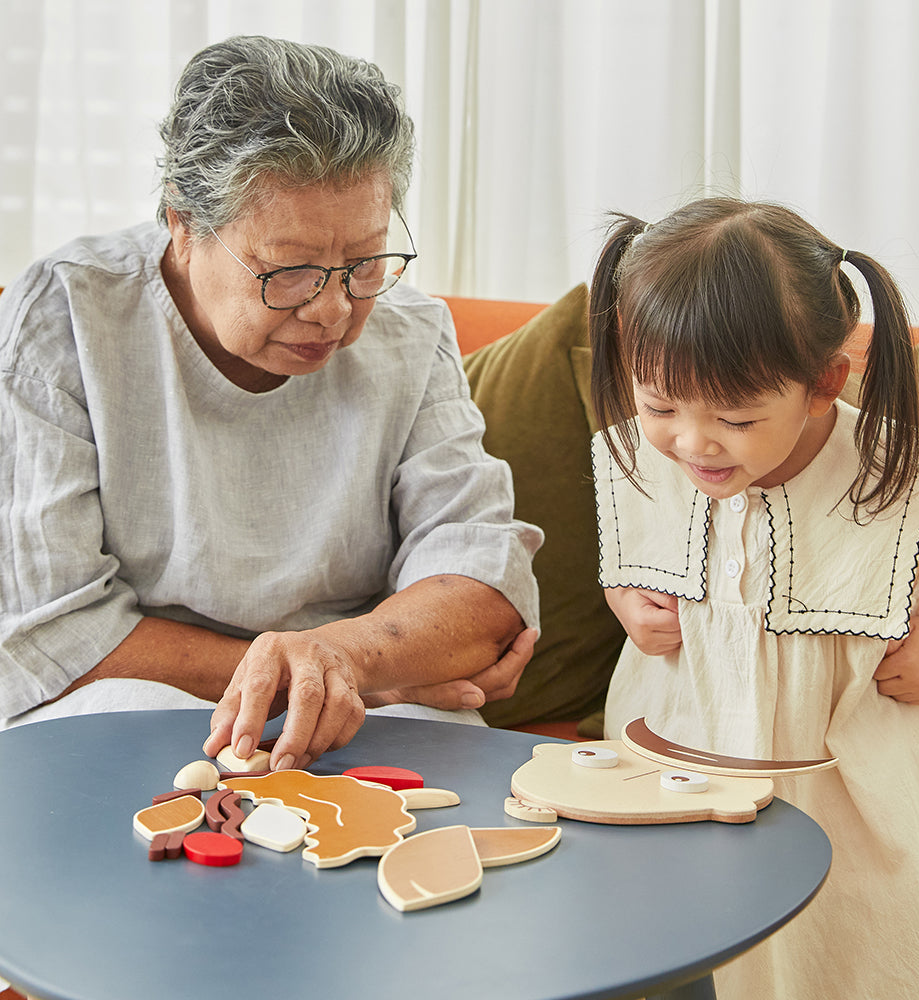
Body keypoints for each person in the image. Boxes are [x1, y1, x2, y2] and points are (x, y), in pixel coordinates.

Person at [0, 35, 542, 773]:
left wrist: (338, 660)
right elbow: (54, 635)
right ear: (183, 226)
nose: (332, 309)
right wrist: (322, 679)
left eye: (363, 263)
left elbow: (482, 585)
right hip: (140, 695)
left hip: (361, 693)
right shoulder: (65, 315)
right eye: (289, 271)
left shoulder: (411, 335)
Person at [588, 198, 919, 998]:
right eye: (662, 405)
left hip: (856, 783)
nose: (694, 442)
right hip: (680, 759)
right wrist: (624, 599)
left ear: (821, 385)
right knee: (686, 945)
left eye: (736, 418)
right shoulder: (645, 453)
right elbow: (630, 546)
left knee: (861, 947)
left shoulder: (887, 470)